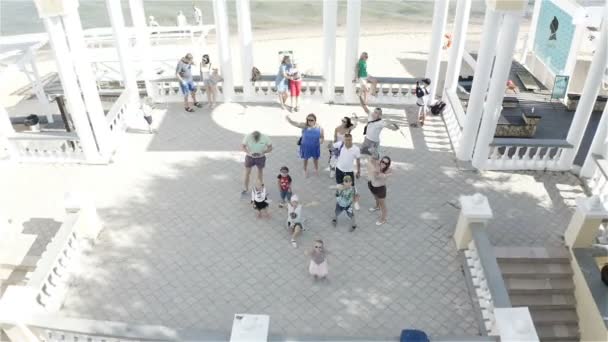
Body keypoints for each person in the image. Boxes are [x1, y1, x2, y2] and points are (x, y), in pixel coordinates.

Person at [332, 133, 361, 210]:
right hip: (339, 170)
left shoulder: (356, 149)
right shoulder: (340, 144)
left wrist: (358, 171)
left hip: (349, 171)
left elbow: (358, 161)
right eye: (346, 140)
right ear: (343, 140)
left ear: (352, 139)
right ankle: (341, 201)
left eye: (350, 140)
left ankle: (355, 202)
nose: (348, 141)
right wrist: (333, 150)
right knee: (340, 186)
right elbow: (331, 146)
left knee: (352, 187)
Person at [367, 154, 392, 226]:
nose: (383, 163)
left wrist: (375, 169)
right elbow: (371, 158)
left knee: (383, 205)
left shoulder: (388, 171)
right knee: (375, 198)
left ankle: (383, 219)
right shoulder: (378, 164)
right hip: (372, 185)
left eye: (386, 163)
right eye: (382, 161)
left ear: (388, 165)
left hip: (380, 189)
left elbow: (379, 175)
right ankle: (377, 207)